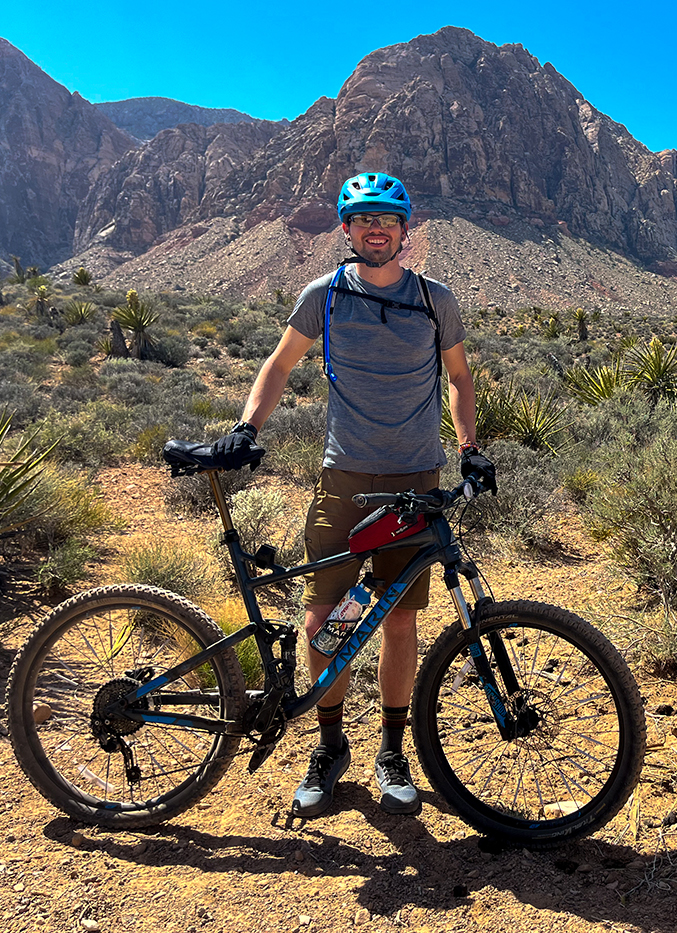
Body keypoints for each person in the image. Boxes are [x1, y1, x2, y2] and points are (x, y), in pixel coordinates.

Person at [210, 172, 490, 818]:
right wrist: (246, 427)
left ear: (405, 230)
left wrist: (470, 448)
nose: (375, 231)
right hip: (344, 482)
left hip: (415, 485)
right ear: (346, 230)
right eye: (363, 221)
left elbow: (459, 378)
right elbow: (279, 365)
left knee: (398, 619)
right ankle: (330, 744)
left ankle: (391, 750)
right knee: (323, 617)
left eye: (386, 221)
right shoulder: (325, 295)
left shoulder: (434, 300)